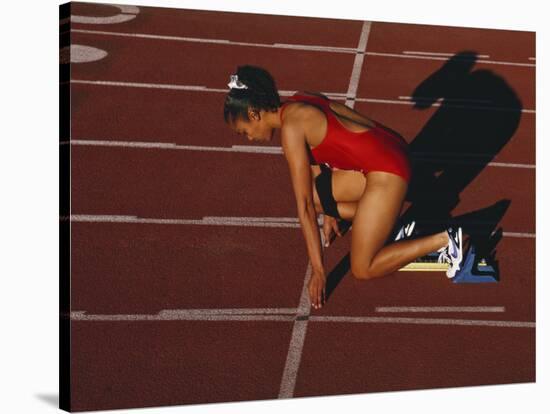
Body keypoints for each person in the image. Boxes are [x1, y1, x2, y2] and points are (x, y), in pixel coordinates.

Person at [223, 65, 463, 309]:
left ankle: (447, 240)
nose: (250, 138)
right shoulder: (300, 99)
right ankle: (384, 223)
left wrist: (318, 270)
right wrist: (328, 212)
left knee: (363, 267)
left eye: (244, 132)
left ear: (254, 114)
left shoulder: (290, 131)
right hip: (390, 151)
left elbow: (303, 207)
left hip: (389, 170)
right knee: (319, 197)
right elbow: (315, 170)